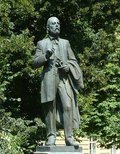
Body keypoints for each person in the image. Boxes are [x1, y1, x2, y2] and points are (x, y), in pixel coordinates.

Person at [33, 16, 83, 147]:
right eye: (54, 24)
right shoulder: (41, 44)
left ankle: (69, 137)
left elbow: (73, 60)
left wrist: (68, 67)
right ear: (48, 27)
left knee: (68, 106)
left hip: (63, 79)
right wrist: (46, 56)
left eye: (58, 24)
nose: (57, 26)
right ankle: (51, 136)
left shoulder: (65, 43)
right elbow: (35, 63)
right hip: (49, 79)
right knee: (50, 107)